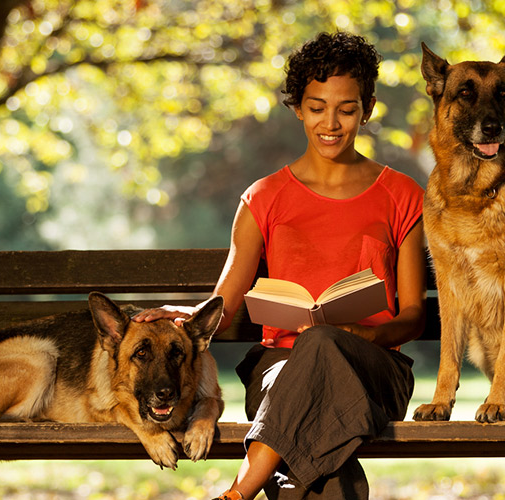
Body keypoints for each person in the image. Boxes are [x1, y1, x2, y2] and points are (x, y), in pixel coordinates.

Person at [135, 31, 426, 499]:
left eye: (346, 109)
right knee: (324, 447)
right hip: (279, 370)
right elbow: (226, 299)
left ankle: (239, 492)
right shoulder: (265, 197)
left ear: (367, 108)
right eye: (316, 107)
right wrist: (187, 315)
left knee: (324, 345)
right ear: (297, 107)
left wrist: (368, 336)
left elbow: (413, 313)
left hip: (375, 371)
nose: (330, 123)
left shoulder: (403, 194)